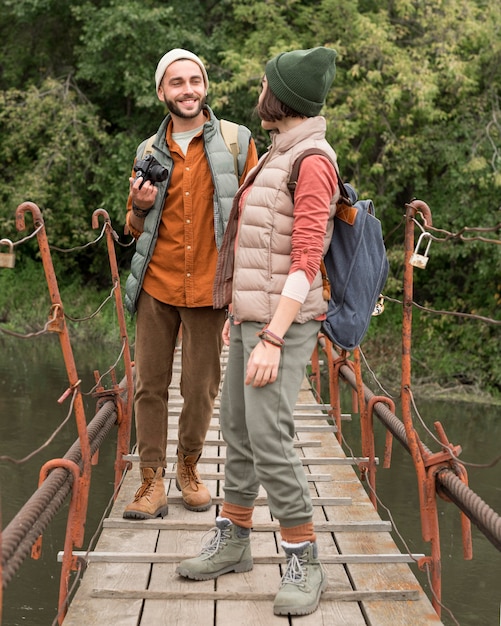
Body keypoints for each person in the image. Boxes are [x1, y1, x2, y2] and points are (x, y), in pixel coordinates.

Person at [176, 47, 339, 617]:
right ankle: (235, 539)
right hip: (252, 319)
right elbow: (257, 249)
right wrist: (242, 319)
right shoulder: (277, 152)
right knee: (240, 432)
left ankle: (303, 558)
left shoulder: (312, 160)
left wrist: (272, 336)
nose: (259, 89)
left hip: (284, 325)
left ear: (283, 96)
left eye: (267, 83)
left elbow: (305, 260)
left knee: (270, 437)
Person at [123, 49, 258, 519]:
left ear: (205, 86)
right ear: (162, 92)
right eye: (176, 83)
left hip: (209, 289)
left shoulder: (237, 142)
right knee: (149, 387)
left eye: (194, 80)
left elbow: (255, 220)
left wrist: (247, 294)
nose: (187, 90)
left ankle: (188, 467)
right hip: (157, 286)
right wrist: (139, 206)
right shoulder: (146, 151)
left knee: (201, 388)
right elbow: (132, 227)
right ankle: (151, 480)